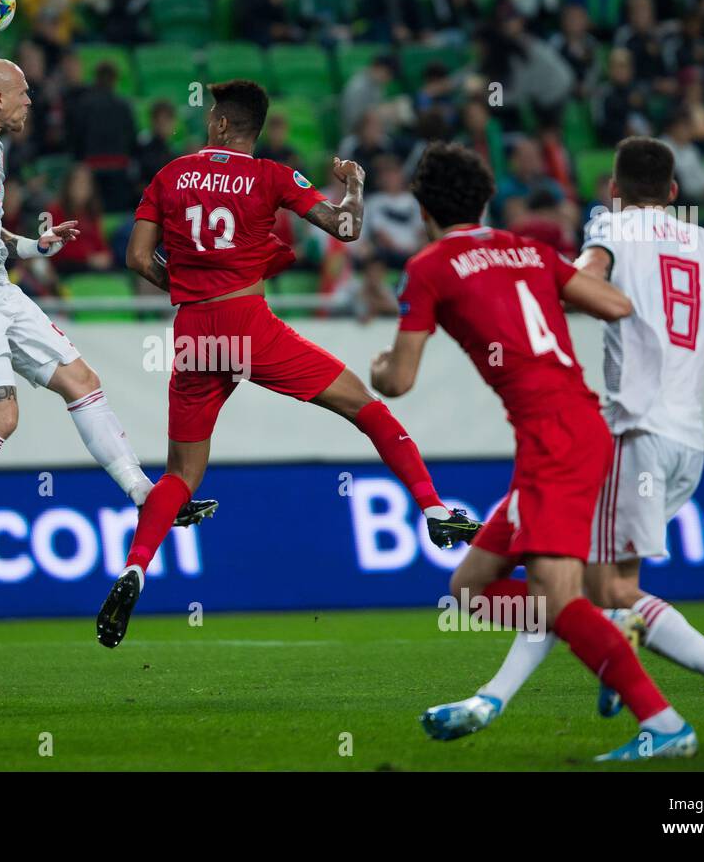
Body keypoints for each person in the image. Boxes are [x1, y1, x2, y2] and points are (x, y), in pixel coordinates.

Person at [421, 137, 704, 750]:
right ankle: (509, 693)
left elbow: (584, 282)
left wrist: (513, 297)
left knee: (600, 588)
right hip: (687, 444)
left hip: (632, 434)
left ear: (613, 189)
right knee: (567, 580)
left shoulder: (612, 231)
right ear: (674, 192)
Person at [97, 80, 483, 649]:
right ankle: (432, 508)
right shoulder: (271, 176)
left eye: (210, 118)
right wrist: (353, 186)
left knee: (181, 474)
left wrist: (184, 288)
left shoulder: (170, 174)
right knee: (364, 405)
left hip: (192, 330)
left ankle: (133, 568)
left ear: (223, 125)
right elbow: (346, 229)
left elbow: (134, 257)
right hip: (249, 324)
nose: (208, 125)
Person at [371, 141, 696, 762]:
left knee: (557, 594)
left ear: (422, 207)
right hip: (573, 427)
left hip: (556, 437)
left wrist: (381, 367)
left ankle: (664, 723)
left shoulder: (430, 267)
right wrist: (554, 287)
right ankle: (600, 630)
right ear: (488, 198)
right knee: (470, 586)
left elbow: (399, 383)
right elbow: (615, 304)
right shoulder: (531, 250)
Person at [0, 57, 217, 600]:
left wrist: (30, 245)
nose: (30, 101)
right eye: (21, 93)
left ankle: (144, 494)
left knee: (82, 379)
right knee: (1, 416)